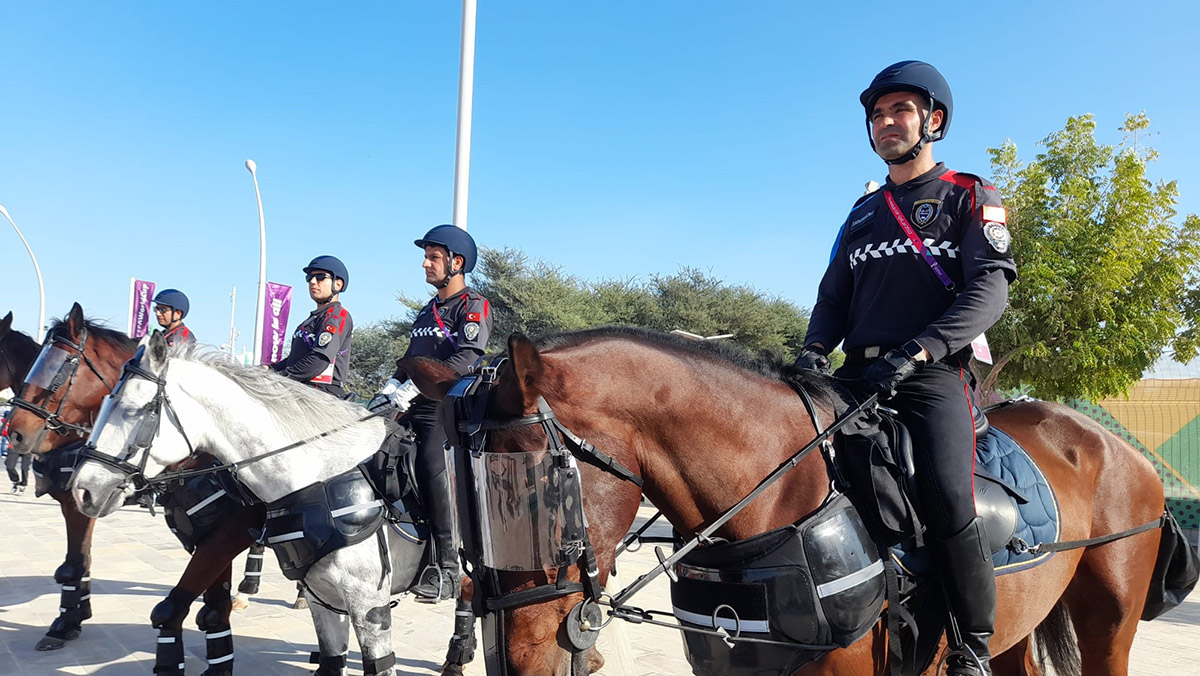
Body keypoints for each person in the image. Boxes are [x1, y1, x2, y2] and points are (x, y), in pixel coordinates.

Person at [795, 61, 1017, 675]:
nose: (885, 122)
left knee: (947, 495)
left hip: (932, 374)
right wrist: (814, 350)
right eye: (876, 115)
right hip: (856, 376)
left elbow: (989, 291)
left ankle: (971, 645)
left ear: (933, 121)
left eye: (899, 111)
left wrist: (919, 350)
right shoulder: (862, 214)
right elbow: (833, 298)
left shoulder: (970, 194)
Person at [368, 225, 491, 602]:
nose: (425, 263)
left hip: (445, 407)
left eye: (433, 257)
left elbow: (466, 358)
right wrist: (388, 389)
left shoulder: (474, 305)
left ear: (456, 262)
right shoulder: (428, 310)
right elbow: (410, 360)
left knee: (430, 462)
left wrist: (413, 390)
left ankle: (448, 568)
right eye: (426, 257)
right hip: (411, 404)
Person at [269, 256, 354, 399]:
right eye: (309, 278)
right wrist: (270, 370)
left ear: (338, 284)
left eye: (320, 277)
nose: (312, 282)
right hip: (301, 391)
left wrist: (281, 377)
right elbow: (295, 361)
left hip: (322, 396)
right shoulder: (309, 320)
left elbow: (319, 359)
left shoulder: (336, 316)